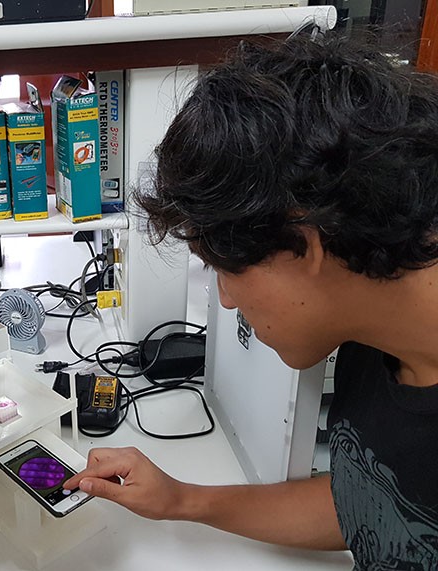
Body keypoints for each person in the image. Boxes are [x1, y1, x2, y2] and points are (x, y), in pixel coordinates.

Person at [65, 31, 438, 570]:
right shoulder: (374, 327)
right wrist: (181, 500)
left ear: (303, 245)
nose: (225, 301)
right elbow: (372, 500)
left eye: (223, 270)